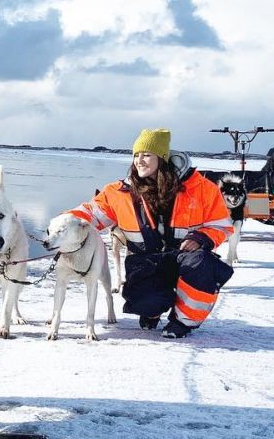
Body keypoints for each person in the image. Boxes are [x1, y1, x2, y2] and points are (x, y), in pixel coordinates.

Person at [67, 128, 234, 339]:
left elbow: (221, 225)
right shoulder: (120, 192)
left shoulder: (201, 188)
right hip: (148, 262)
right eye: (136, 155)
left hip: (185, 258)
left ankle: (182, 321)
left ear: (162, 158)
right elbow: (90, 214)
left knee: (201, 264)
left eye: (146, 154)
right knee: (143, 302)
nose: (139, 160)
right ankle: (153, 311)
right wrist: (63, 225)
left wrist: (201, 238)